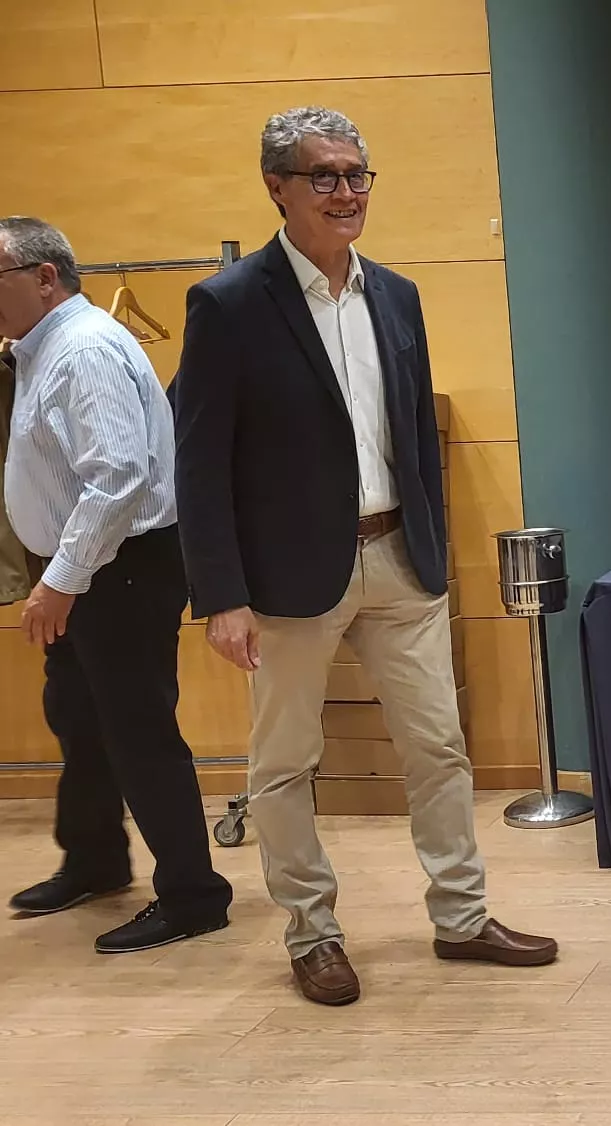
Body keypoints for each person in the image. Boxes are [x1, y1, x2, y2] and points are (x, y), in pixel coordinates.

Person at [171, 106, 556, 1006]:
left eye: (357, 175)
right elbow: (198, 462)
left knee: (440, 749)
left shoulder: (397, 294)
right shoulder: (226, 304)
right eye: (325, 176)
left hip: (398, 561)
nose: (346, 193)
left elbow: (413, 439)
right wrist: (220, 594)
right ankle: (312, 934)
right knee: (283, 765)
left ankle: (461, 919)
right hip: (286, 580)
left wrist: (436, 550)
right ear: (277, 187)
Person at [0, 216, 234, 953]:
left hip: (117, 568)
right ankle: (96, 859)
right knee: (78, 717)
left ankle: (195, 895)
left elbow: (118, 478)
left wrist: (62, 581)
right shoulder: (39, 349)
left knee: (138, 731)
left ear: (45, 278)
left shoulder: (84, 349)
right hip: (83, 565)